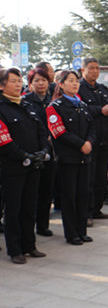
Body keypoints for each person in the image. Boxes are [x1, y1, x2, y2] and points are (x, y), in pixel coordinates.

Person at [0, 68, 49, 263]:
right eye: (13, 81)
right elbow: (4, 140)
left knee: (30, 206)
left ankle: (30, 245)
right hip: (13, 167)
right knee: (14, 209)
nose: (18, 84)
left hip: (33, 164)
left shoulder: (27, 104)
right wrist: (23, 156)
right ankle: (15, 249)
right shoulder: (2, 108)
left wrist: (42, 151)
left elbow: (41, 131)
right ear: (2, 85)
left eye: (19, 80)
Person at [47, 70, 95, 246]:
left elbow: (92, 127)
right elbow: (59, 132)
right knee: (69, 197)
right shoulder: (54, 107)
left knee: (83, 195)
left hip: (84, 158)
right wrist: (80, 144)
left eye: (77, 81)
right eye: (71, 81)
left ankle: (82, 231)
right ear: (61, 84)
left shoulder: (82, 106)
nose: (75, 84)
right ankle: (71, 233)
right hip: (67, 159)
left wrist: (89, 141)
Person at [78, 57, 108, 224]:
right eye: (91, 68)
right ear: (83, 70)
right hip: (89, 139)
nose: (95, 71)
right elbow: (81, 109)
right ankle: (86, 213)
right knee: (88, 178)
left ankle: (97, 209)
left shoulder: (102, 88)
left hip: (105, 138)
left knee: (101, 175)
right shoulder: (78, 88)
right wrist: (101, 109)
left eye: (97, 68)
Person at [23, 67, 56, 237]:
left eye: (43, 80)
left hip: (50, 152)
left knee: (46, 189)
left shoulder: (53, 101)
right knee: (31, 191)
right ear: (30, 84)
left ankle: (43, 225)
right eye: (36, 80)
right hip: (32, 152)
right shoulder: (25, 102)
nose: (41, 83)